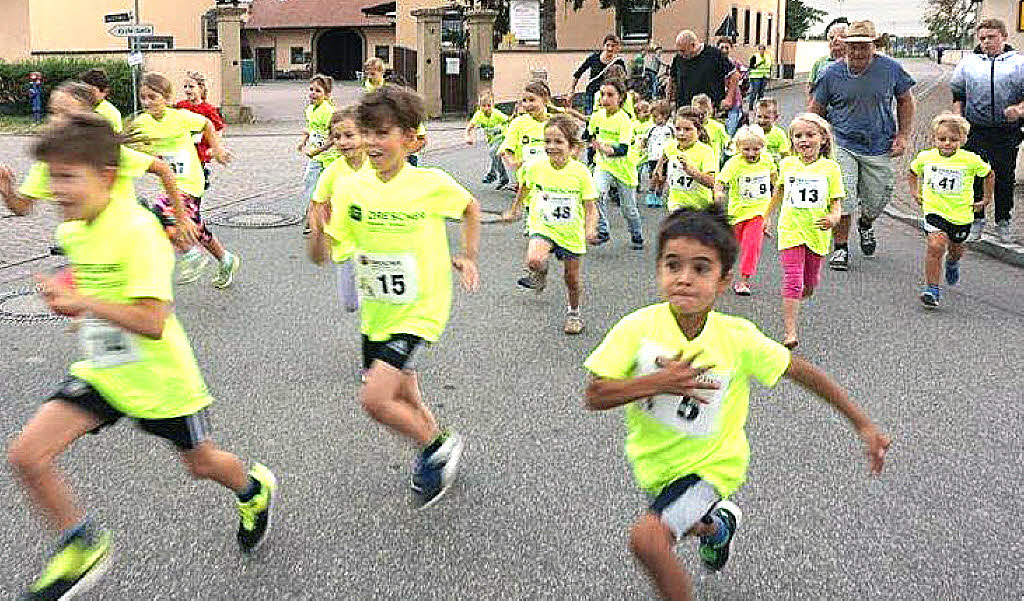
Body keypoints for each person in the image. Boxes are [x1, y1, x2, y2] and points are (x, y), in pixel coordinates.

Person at [8, 114, 277, 601]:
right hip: (104, 372)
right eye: (51, 178)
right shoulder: (73, 232)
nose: (55, 190)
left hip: (161, 379)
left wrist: (84, 303)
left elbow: (153, 322)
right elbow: (93, 284)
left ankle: (253, 489)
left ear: (107, 176)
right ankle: (81, 543)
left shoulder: (138, 230)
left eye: (68, 177)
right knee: (27, 455)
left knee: (200, 464)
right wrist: (69, 293)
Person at [583, 206, 890, 601]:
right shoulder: (636, 327)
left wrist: (862, 423)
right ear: (658, 269)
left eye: (701, 268)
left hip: (714, 465)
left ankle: (712, 517)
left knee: (649, 539)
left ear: (725, 279)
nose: (684, 279)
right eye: (673, 265)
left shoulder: (737, 338)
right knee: (690, 524)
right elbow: (595, 394)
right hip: (656, 463)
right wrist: (658, 382)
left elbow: (801, 371)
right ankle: (720, 527)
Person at [308, 84, 481, 509]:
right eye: (366, 132)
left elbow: (470, 208)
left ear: (410, 138)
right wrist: (315, 231)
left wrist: (467, 255)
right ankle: (439, 442)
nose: (370, 142)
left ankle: (434, 451)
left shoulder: (430, 183)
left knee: (375, 398)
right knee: (406, 397)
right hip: (378, 313)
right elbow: (327, 252)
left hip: (421, 308)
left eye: (382, 133)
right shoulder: (351, 188)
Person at [0, 82, 191, 243]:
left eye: (66, 113)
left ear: (87, 118)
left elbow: (164, 169)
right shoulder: (49, 162)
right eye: (53, 112)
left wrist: (181, 219)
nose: (57, 120)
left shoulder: (106, 152)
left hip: (126, 242)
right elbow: (22, 207)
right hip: (84, 247)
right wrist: (6, 188)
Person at [809, 20, 915, 271]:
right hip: (842, 142)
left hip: (879, 145)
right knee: (843, 195)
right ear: (845, 47)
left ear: (873, 47)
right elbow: (815, 110)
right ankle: (841, 248)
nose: (857, 52)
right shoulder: (831, 74)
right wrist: (812, 141)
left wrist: (903, 136)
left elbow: (905, 101)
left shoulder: (891, 69)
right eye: (852, 47)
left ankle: (866, 223)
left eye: (863, 47)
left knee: (877, 197)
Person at [132, 72, 238, 288]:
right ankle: (225, 259)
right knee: (193, 225)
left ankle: (190, 253)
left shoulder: (179, 116)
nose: (147, 102)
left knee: (162, 210)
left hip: (190, 180)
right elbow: (132, 142)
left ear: (167, 98)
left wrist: (216, 149)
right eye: (143, 98)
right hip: (171, 183)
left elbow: (207, 124)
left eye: (153, 97)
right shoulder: (142, 122)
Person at [502, 115, 599, 333]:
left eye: (558, 142)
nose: (551, 146)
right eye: (547, 141)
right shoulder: (535, 167)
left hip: (570, 231)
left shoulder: (580, 172)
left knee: (571, 279)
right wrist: (515, 208)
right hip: (543, 225)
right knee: (534, 259)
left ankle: (574, 314)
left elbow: (591, 207)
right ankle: (540, 272)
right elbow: (525, 186)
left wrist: (590, 228)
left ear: (571, 146)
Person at [763, 113, 844, 348]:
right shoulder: (787, 164)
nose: (804, 140)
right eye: (798, 136)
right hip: (790, 230)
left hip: (816, 232)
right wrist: (766, 217)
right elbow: (779, 191)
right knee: (793, 280)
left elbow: (836, 204)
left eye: (810, 135)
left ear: (823, 140)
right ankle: (790, 333)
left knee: (809, 283)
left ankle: (807, 287)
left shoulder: (830, 169)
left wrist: (833, 217)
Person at [950, 18, 1024, 243]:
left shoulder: (1018, 64)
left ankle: (1003, 221)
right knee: (975, 176)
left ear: (1003, 37)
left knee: (1004, 177)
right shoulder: (969, 63)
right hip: (977, 129)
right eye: (982, 38)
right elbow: (958, 94)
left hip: (1006, 130)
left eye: (991, 37)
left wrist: (1019, 110)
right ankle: (976, 220)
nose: (986, 42)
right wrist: (958, 120)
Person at [908, 113, 993, 308]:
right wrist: (915, 191)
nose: (947, 143)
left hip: (961, 213)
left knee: (955, 249)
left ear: (963, 140)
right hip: (934, 209)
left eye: (953, 140)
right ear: (934, 139)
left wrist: (986, 198)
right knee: (936, 245)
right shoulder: (926, 157)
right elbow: (913, 171)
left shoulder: (970, 160)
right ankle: (932, 289)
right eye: (942, 139)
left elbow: (989, 174)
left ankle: (953, 263)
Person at [307, 106, 374, 315]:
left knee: (378, 303)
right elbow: (316, 204)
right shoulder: (333, 171)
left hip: (377, 244)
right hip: (345, 246)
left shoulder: (378, 164)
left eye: (349, 135)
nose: (343, 142)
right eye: (337, 137)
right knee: (351, 305)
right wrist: (317, 233)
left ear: (365, 134)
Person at [714, 125, 777, 295]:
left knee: (751, 246)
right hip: (737, 214)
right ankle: (722, 271)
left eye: (756, 149)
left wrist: (779, 196)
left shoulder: (767, 160)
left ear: (762, 147)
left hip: (758, 213)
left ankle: (744, 280)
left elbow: (775, 179)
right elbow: (721, 180)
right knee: (729, 247)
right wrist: (718, 192)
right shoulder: (734, 163)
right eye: (746, 149)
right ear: (738, 148)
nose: (751, 153)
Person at [588, 79, 643, 248]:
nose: (605, 99)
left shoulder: (624, 120)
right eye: (603, 95)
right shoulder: (596, 116)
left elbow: (622, 150)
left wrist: (603, 148)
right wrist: (593, 149)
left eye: (610, 95)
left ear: (620, 98)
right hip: (604, 165)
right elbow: (591, 135)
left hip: (624, 168)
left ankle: (636, 234)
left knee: (628, 209)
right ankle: (603, 229)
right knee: (596, 194)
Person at [652, 107, 716, 212]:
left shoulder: (705, 151)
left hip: (699, 208)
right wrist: (658, 168)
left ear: (699, 131)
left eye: (687, 129)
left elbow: (712, 182)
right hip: (675, 205)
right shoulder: (671, 145)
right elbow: (665, 153)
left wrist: (692, 171)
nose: (681, 133)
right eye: (677, 129)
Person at [298, 74, 338, 234]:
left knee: (327, 189)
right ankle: (312, 217)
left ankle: (326, 219)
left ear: (327, 95)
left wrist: (318, 150)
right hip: (316, 158)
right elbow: (311, 128)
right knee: (310, 184)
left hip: (330, 158)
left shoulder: (330, 112)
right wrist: (303, 140)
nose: (313, 93)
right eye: (311, 89)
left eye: (318, 91)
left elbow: (334, 137)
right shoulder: (310, 109)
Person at [174, 71, 225, 192]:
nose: (187, 90)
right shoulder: (180, 106)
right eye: (185, 87)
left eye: (191, 87)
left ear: (201, 88)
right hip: (182, 151)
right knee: (180, 183)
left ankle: (195, 207)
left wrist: (214, 147)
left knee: (195, 185)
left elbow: (218, 129)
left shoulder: (208, 109)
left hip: (200, 153)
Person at [668, 30, 739, 111]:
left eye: (683, 51)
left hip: (709, 109)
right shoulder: (678, 59)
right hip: (684, 109)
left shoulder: (714, 54)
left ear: (693, 45)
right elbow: (672, 80)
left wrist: (729, 99)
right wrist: (668, 101)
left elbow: (734, 75)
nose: (681, 54)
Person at [571, 34, 627, 114]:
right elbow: (578, 74)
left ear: (617, 48)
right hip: (592, 92)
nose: (610, 48)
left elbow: (622, 80)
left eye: (613, 46)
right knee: (589, 114)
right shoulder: (594, 58)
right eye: (607, 45)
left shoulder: (619, 62)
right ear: (603, 46)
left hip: (607, 94)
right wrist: (572, 90)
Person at [465, 92, 511, 189]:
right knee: (495, 157)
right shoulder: (478, 115)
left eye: (489, 106)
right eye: (483, 106)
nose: (486, 108)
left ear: (493, 106)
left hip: (502, 137)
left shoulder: (497, 114)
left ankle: (495, 175)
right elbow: (469, 127)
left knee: (493, 152)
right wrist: (468, 137)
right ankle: (498, 176)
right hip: (491, 140)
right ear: (479, 106)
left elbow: (509, 120)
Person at [642, 101, 674, 207]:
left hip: (666, 157)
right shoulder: (652, 128)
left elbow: (675, 140)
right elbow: (645, 139)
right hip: (653, 156)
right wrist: (643, 146)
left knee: (663, 178)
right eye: (653, 117)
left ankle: (659, 194)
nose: (654, 119)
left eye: (656, 116)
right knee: (654, 176)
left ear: (665, 116)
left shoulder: (670, 128)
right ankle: (651, 193)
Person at [715, 38, 746, 135]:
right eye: (721, 48)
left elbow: (744, 75)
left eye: (726, 48)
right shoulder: (714, 64)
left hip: (734, 102)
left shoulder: (735, 64)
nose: (724, 50)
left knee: (730, 131)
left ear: (731, 49)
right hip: (718, 102)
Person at [807, 21, 848, 95]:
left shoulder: (852, 63)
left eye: (841, 37)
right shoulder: (820, 62)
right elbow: (811, 88)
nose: (835, 40)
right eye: (832, 37)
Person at [80, 68, 123, 133]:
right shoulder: (76, 105)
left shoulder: (111, 114)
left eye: (90, 91)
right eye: (83, 90)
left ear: (105, 92)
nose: (86, 94)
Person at [691, 94, 728, 165]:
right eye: (698, 113)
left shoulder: (718, 127)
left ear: (710, 111)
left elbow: (728, 144)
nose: (701, 116)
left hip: (713, 166)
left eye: (704, 113)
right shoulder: (689, 126)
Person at [753, 98, 790, 162]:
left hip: (775, 167)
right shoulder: (750, 132)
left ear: (775, 117)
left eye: (766, 117)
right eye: (759, 117)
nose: (762, 121)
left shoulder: (779, 133)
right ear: (754, 115)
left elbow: (785, 155)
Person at [747, 45, 772, 109]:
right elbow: (751, 66)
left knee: (761, 92)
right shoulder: (755, 56)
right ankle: (751, 105)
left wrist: (769, 75)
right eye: (760, 49)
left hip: (764, 76)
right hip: (755, 76)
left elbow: (769, 66)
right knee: (755, 91)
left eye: (763, 49)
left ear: (764, 50)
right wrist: (759, 63)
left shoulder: (768, 57)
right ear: (758, 50)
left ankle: (759, 106)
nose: (761, 51)